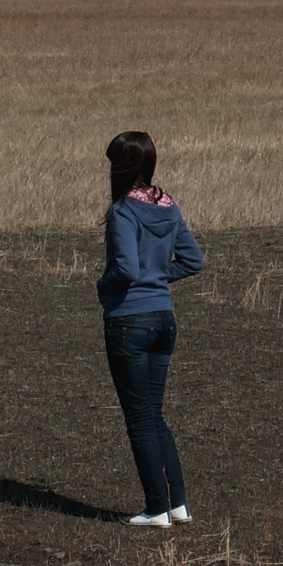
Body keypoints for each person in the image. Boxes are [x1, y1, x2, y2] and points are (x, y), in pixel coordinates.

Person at [97, 129, 203, 528]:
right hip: (164, 319)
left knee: (139, 418)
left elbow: (125, 268)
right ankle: (178, 504)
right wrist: (159, 276)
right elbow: (193, 261)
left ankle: (156, 508)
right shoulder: (168, 204)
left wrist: (103, 287)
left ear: (122, 167)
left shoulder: (123, 210)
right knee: (153, 414)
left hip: (129, 320)